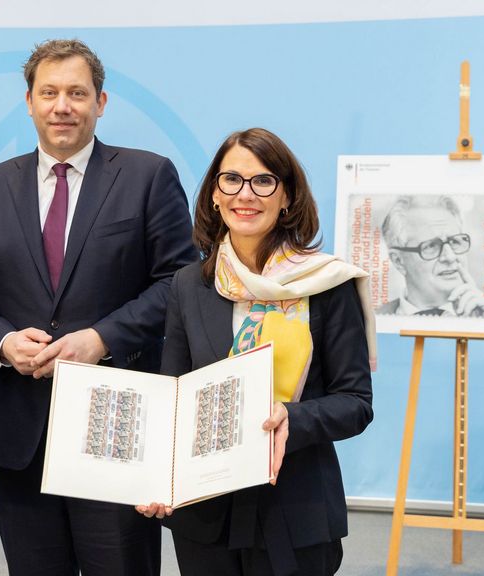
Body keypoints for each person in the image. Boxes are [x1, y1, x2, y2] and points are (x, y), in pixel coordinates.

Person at [0, 39, 195, 575]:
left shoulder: (148, 176)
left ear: (101, 103)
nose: (63, 106)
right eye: (49, 92)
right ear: (28, 101)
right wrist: (4, 344)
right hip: (20, 431)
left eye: (77, 93)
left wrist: (102, 338)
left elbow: (179, 282)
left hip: (116, 426)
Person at [136, 128, 376, 575]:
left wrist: (292, 416)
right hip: (206, 513)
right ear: (213, 195)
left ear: (287, 196)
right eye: (232, 180)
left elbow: (356, 403)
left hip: (295, 508)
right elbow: (173, 398)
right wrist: (156, 477)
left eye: (264, 181)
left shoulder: (326, 285)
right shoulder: (189, 285)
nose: (245, 194)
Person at [378, 195, 484, 317]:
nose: (450, 257)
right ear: (398, 261)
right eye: (431, 246)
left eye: (454, 242)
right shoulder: (372, 321)